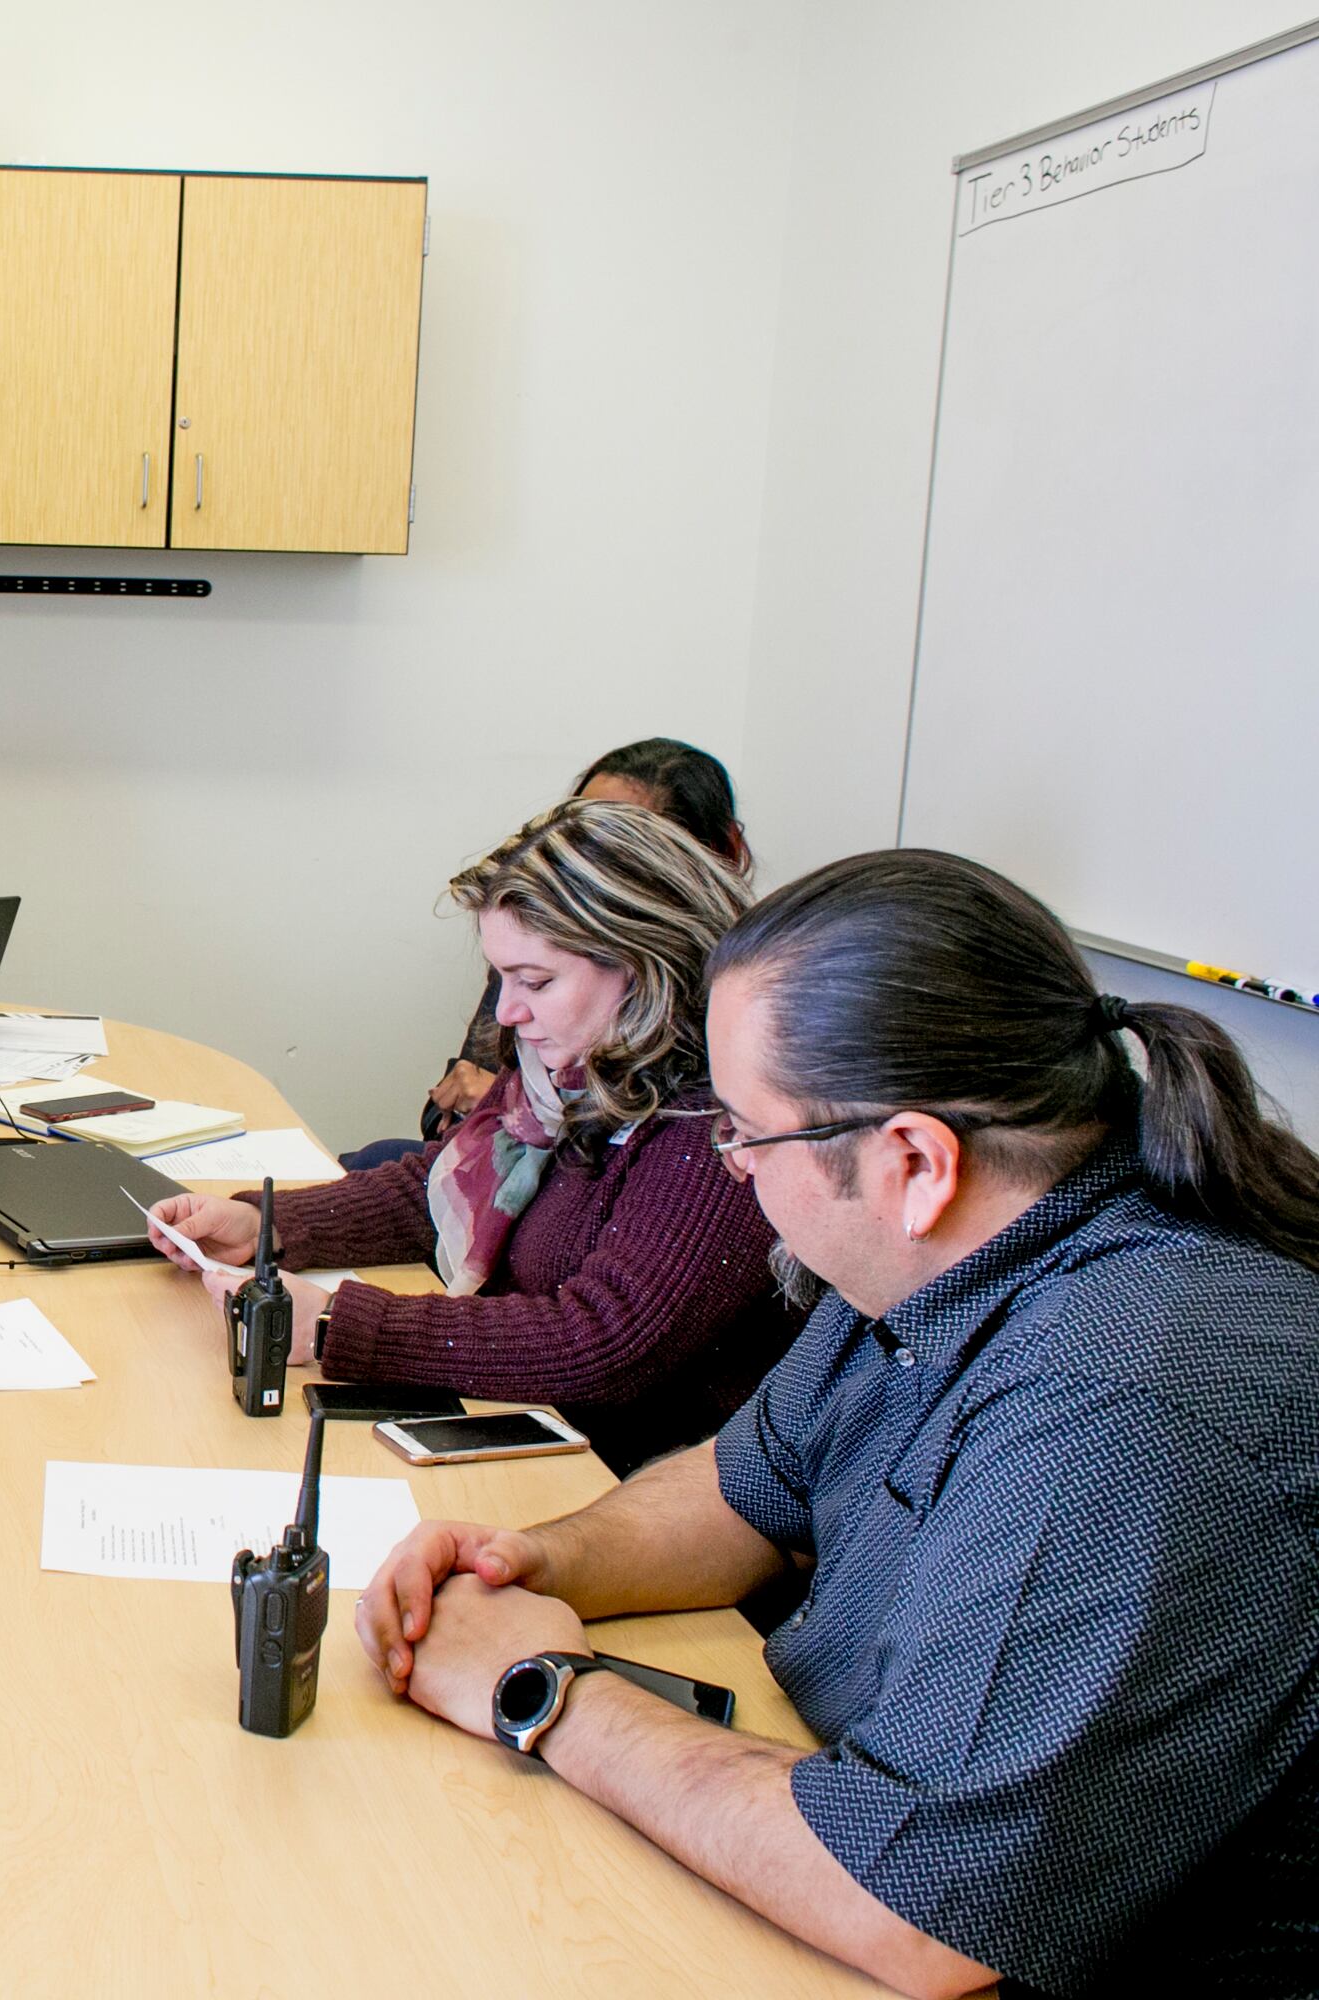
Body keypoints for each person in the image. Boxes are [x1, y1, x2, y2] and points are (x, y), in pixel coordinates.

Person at [353, 850, 1319, 1998]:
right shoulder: (947, 1254)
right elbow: (747, 1483)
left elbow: (916, 1907)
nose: (734, 1170)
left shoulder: (1121, 1392)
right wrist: (539, 1556)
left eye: (746, 1136)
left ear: (913, 1157)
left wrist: (545, 1689)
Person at [148, 800, 796, 1472]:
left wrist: (338, 1327)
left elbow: (599, 1345)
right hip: (538, 1427)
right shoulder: (575, 1068)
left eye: (536, 981)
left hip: (622, 1476)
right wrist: (267, 1225)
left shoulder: (719, 1132)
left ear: (648, 965)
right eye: (502, 979)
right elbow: (440, 1188)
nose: (509, 1012)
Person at [344, 737, 755, 1174]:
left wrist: (509, 1108)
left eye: (617, 847)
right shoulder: (531, 955)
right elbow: (444, 1119)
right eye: (576, 831)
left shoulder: (704, 1108)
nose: (578, 863)